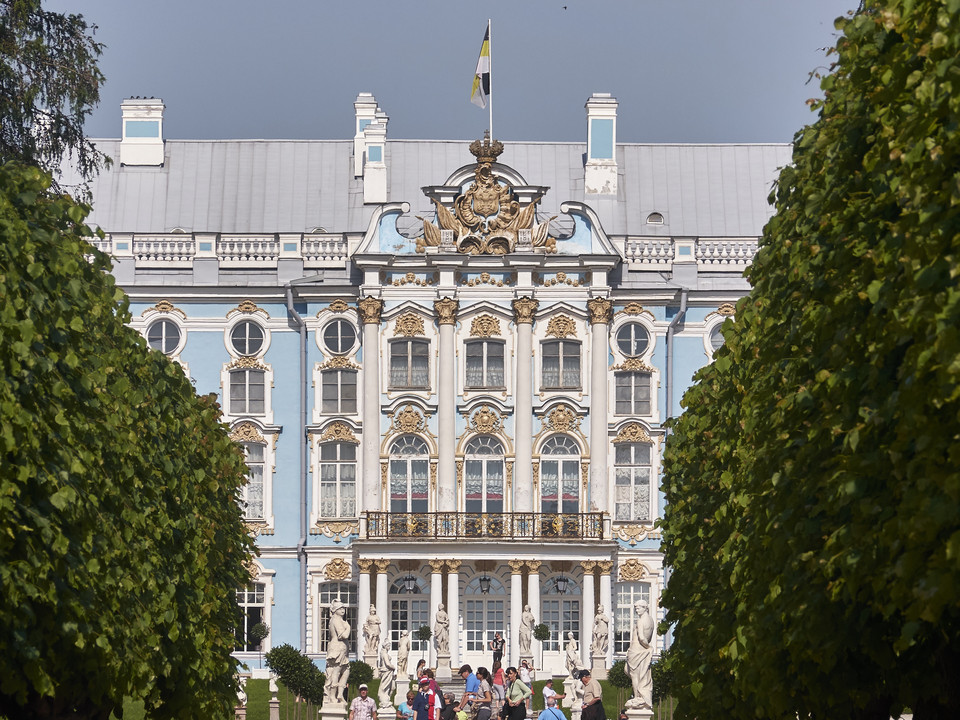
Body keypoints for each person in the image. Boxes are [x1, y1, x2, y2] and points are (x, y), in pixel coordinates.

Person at [625, 601, 654, 709]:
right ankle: (640, 695)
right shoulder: (651, 620)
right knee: (638, 674)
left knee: (635, 675)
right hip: (641, 650)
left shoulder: (641, 621)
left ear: (645, 608)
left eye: (638, 608)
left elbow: (642, 638)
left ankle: (638, 696)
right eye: (635, 608)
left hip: (637, 651)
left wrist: (648, 648)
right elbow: (649, 636)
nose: (636, 610)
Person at [324, 599, 352, 704]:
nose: (342, 610)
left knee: (346, 671)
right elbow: (343, 635)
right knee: (336, 672)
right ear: (335, 610)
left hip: (343, 650)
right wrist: (348, 627)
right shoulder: (336, 620)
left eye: (343, 608)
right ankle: (332, 696)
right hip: (337, 649)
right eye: (340, 608)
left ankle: (340, 694)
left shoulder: (340, 620)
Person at [378, 637, 397, 707]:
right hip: (387, 672)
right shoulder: (384, 653)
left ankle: (387, 700)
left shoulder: (384, 652)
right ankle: (384, 701)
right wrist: (394, 667)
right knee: (385, 688)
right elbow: (387, 664)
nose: (389, 647)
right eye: (388, 646)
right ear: (385, 646)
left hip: (388, 672)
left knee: (392, 687)